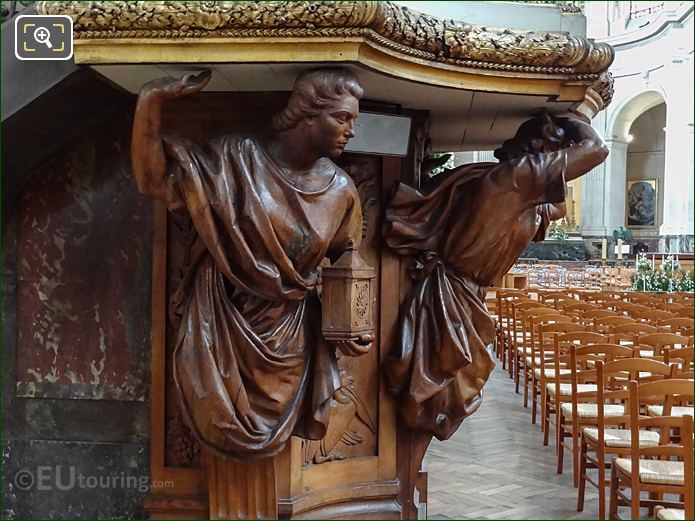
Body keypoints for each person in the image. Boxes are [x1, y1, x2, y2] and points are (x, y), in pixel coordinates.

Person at [131, 68, 367, 459]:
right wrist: (150, 100)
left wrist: (353, 325)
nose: (351, 130)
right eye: (341, 118)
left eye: (352, 120)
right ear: (307, 115)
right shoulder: (233, 160)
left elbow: (349, 264)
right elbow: (153, 182)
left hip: (290, 338)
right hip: (219, 325)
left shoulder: (342, 191)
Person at [383, 112, 608, 440]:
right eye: (558, 154)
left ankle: (402, 480)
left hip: (466, 297)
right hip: (449, 299)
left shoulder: (525, 197)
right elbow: (597, 149)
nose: (563, 164)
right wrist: (576, 119)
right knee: (434, 402)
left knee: (441, 404)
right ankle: (398, 482)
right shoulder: (512, 179)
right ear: (537, 150)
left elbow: (556, 208)